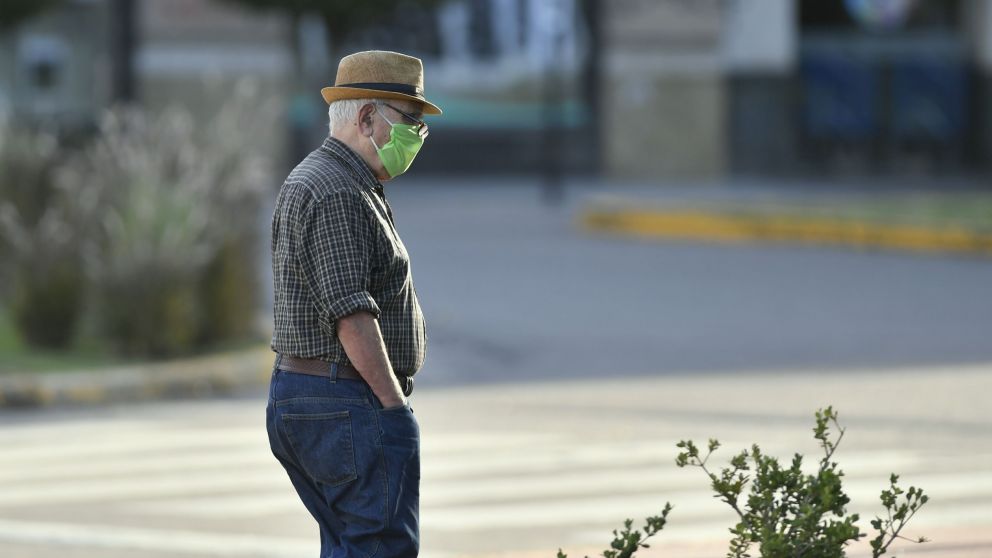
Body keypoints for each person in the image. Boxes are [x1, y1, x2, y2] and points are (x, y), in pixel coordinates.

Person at [266, 50, 440, 558]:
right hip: (345, 401)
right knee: (379, 547)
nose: (418, 138)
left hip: (312, 396)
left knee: (349, 546)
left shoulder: (326, 178)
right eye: (410, 122)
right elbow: (350, 313)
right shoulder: (339, 189)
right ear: (367, 118)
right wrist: (393, 407)